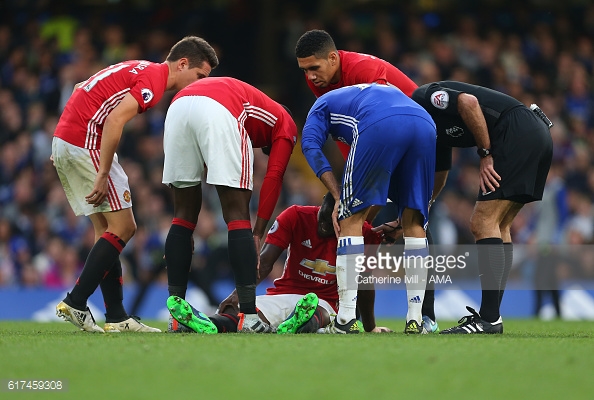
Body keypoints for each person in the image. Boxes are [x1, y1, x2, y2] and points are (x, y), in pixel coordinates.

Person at [53, 36, 219, 333]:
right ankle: (76, 301)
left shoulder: (140, 68)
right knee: (125, 227)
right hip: (86, 142)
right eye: (199, 76)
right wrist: (103, 172)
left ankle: (116, 317)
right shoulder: (154, 81)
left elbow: (82, 87)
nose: (199, 83)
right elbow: (116, 119)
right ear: (182, 64)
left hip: (67, 139)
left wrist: (69, 135)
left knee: (106, 230)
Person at [295, 29, 439, 332]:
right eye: (304, 70)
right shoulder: (333, 89)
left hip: (389, 125)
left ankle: (346, 318)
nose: (310, 77)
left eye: (314, 68)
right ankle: (417, 319)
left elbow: (313, 148)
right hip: (424, 127)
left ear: (333, 58)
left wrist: (340, 198)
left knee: (350, 220)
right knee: (414, 223)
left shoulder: (344, 86)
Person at [412, 81, 553, 334]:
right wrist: (427, 202)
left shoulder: (424, 98)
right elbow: (442, 171)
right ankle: (491, 317)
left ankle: (488, 319)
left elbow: (468, 102)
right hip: (536, 133)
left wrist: (485, 154)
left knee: (481, 221)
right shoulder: (431, 130)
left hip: (515, 132)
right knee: (500, 225)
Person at [162, 76, 297, 333]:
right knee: (237, 216)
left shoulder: (253, 103)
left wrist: (181, 235)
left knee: (182, 217)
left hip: (178, 106)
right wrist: (258, 233)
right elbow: (274, 176)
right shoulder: (285, 121)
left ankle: (176, 316)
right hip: (220, 109)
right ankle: (249, 317)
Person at [167, 193, 393, 334]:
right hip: (284, 293)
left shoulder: (361, 235)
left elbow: (364, 283)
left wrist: (370, 325)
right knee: (246, 318)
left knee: (322, 312)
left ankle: (302, 321)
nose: (323, 227)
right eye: (321, 218)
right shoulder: (295, 216)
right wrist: (241, 294)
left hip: (325, 301)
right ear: (319, 208)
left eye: (330, 224)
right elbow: (264, 262)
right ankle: (201, 323)